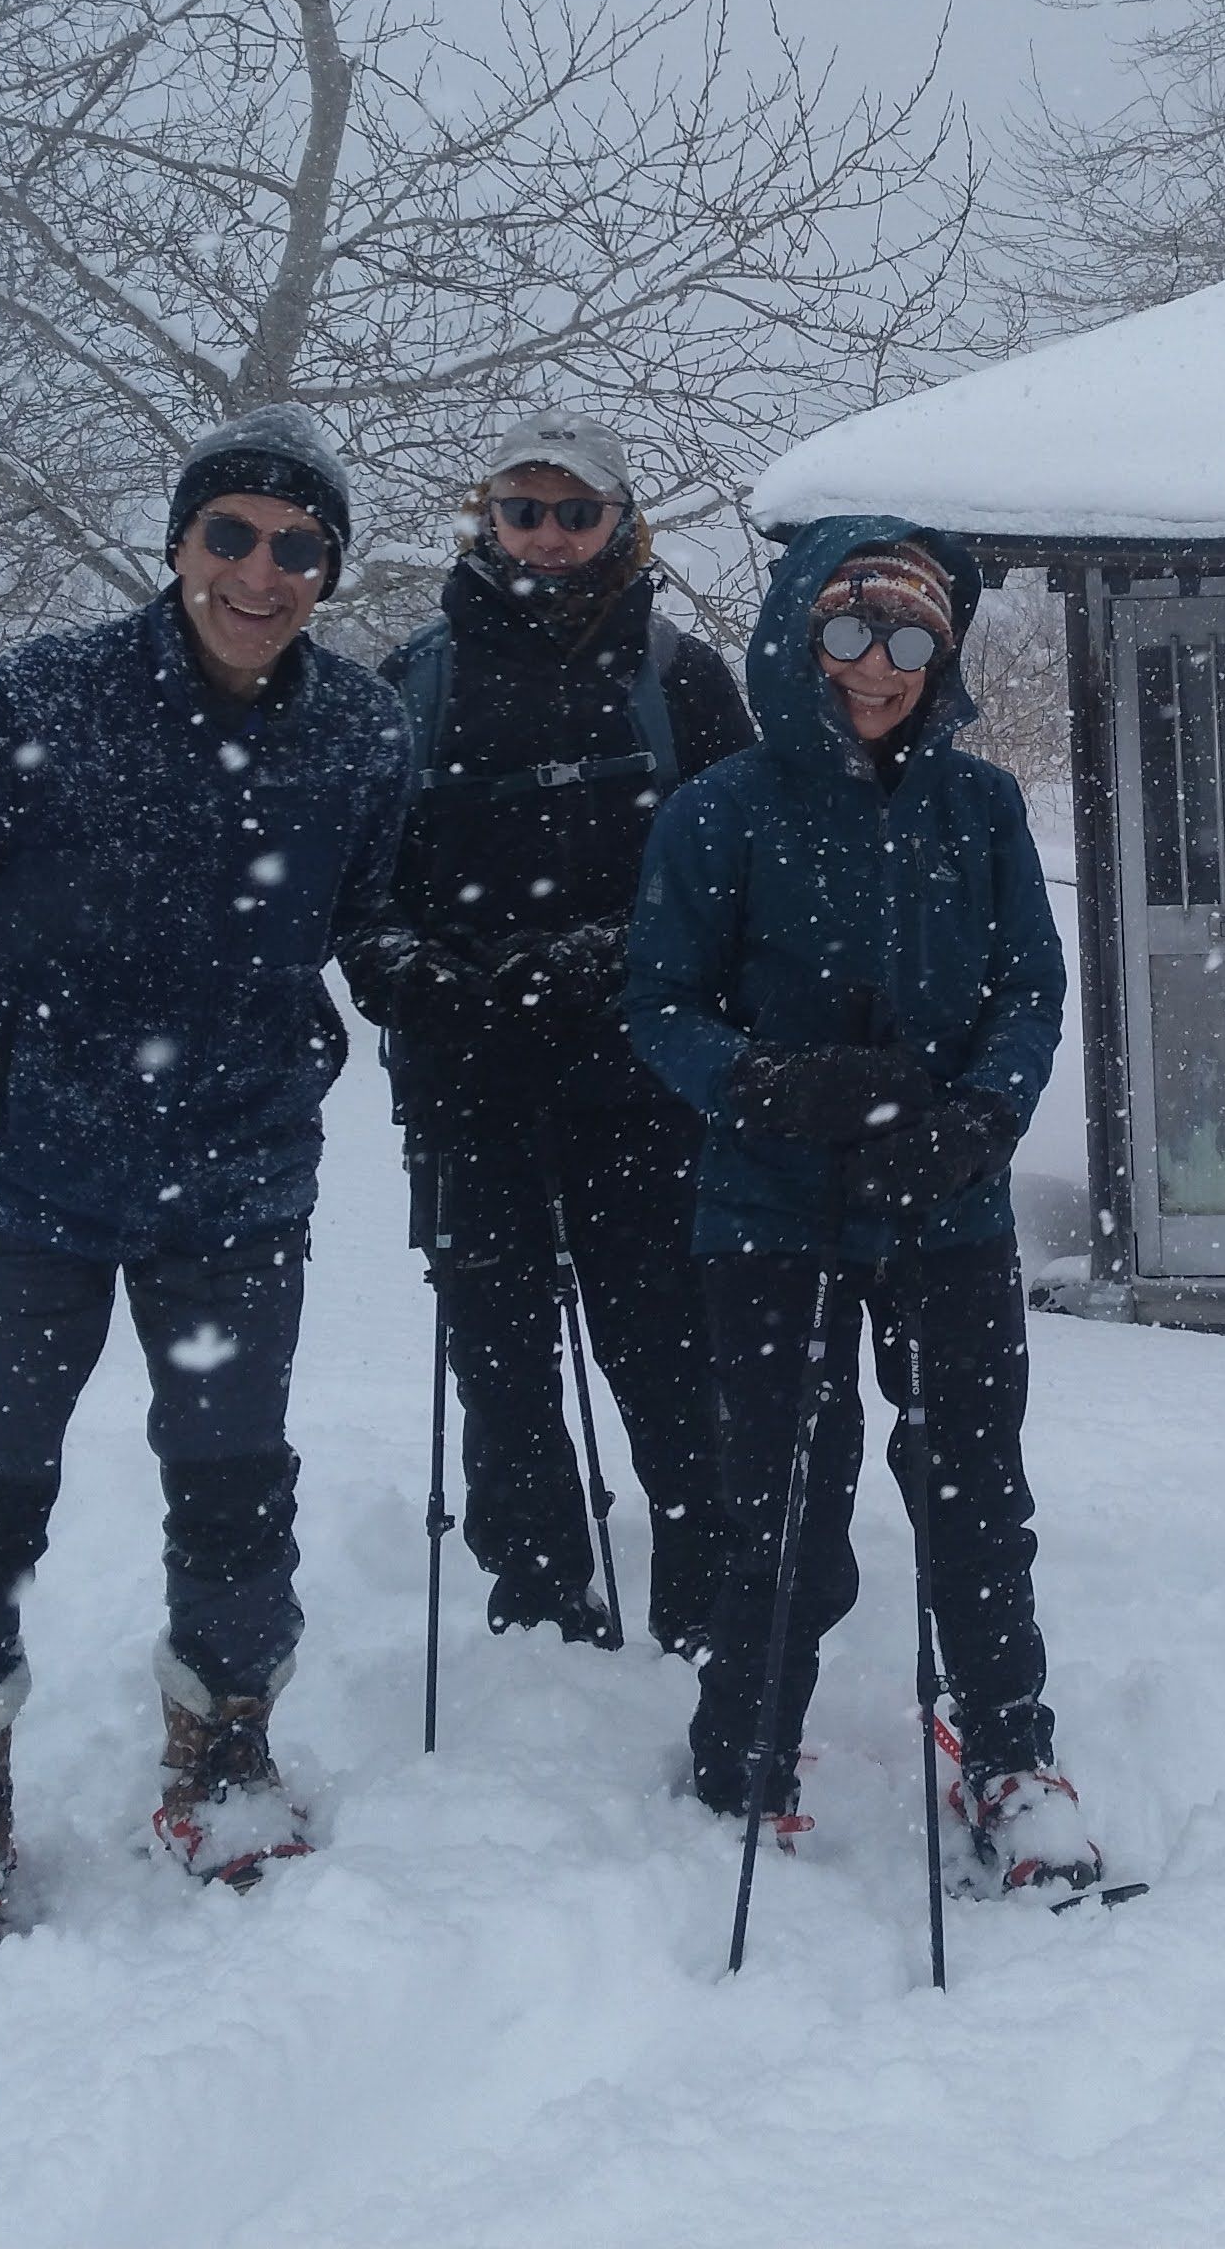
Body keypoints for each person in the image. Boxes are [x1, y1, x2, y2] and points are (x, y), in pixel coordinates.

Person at [0, 404, 419, 1927]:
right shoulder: (44, 699)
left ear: (327, 570)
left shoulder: (363, 732)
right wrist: (8, 1050)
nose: (261, 569)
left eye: (297, 545)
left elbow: (374, 918)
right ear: (177, 546)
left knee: (236, 1486)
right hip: (22, 1187)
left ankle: (224, 1747)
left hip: (235, 1183)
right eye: (229, 533)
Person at [622, 518, 1099, 1891]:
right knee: (781, 1485)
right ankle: (746, 1740)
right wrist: (771, 1087)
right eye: (846, 634)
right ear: (799, 634)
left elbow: (1029, 987)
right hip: (770, 1212)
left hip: (942, 1208)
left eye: (905, 642)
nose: (872, 670)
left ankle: (1009, 1749)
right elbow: (659, 1002)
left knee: (974, 1491)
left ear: (939, 655)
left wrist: (980, 1120)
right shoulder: (722, 809)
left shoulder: (980, 806)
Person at [374, 414, 750, 1655]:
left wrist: (604, 964)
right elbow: (356, 889)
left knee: (661, 1337)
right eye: (522, 511)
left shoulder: (680, 678)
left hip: (637, 1080)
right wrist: (419, 981)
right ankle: (535, 1589)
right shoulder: (413, 681)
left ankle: (704, 1590)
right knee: (498, 1343)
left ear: (619, 524)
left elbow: (731, 874)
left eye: (573, 513)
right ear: (485, 518)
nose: (546, 536)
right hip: (463, 1079)